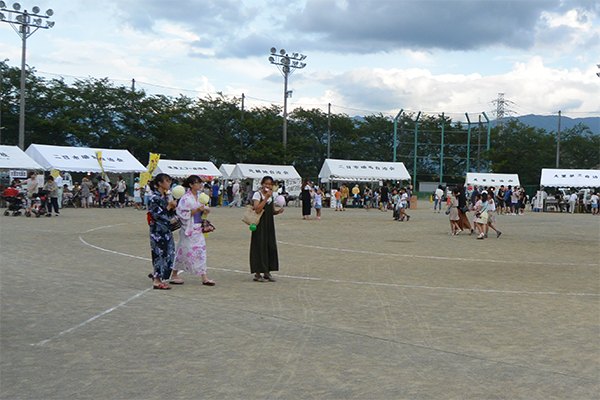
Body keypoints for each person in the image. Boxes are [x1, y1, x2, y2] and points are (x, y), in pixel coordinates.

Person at [171, 175, 215, 286]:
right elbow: (182, 214)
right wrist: (196, 211)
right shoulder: (186, 198)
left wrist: (205, 210)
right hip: (189, 228)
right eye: (197, 183)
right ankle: (174, 273)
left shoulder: (200, 197)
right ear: (191, 185)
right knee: (183, 251)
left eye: (200, 183)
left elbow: (203, 209)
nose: (199, 185)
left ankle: (204, 276)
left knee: (201, 252)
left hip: (198, 227)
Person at [250, 176, 284, 282]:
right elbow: (257, 209)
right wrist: (265, 198)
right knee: (259, 246)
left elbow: (272, 211)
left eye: (269, 184)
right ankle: (257, 273)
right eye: (266, 184)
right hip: (259, 225)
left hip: (269, 225)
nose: (267, 186)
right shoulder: (257, 194)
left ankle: (267, 272)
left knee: (270, 246)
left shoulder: (272, 196)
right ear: (262, 184)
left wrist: (278, 211)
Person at [147, 173, 178, 290]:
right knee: (159, 254)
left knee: (168, 253)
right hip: (158, 231)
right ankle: (157, 280)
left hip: (166, 230)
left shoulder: (165, 196)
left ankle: (158, 275)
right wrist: (169, 207)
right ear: (160, 183)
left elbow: (168, 215)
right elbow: (157, 215)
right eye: (167, 181)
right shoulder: (154, 198)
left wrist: (172, 208)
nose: (169, 183)